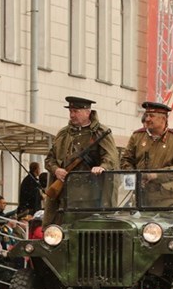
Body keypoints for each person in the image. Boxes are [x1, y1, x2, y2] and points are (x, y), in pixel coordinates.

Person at [44, 96, 119, 225]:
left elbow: (111, 157)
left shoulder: (100, 133)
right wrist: (56, 170)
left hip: (90, 198)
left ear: (87, 112)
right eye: (70, 111)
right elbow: (50, 158)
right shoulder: (64, 133)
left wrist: (102, 167)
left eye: (76, 111)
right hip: (65, 196)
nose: (72, 115)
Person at [121, 101, 173, 206]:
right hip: (140, 197)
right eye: (146, 115)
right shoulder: (137, 136)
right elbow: (125, 160)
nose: (147, 119)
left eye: (151, 116)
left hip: (166, 200)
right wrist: (135, 176)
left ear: (163, 119)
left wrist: (156, 175)